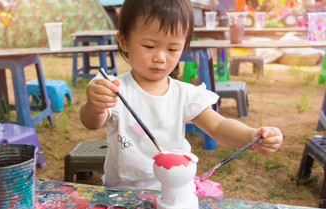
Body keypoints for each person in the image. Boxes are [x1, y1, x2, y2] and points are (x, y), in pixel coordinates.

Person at [80, 0, 283, 191]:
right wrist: (95, 104)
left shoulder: (185, 94)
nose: (160, 57)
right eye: (149, 46)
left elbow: (218, 126)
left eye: (172, 48)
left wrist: (251, 136)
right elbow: (92, 122)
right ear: (124, 41)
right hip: (123, 192)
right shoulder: (114, 88)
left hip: (174, 189)